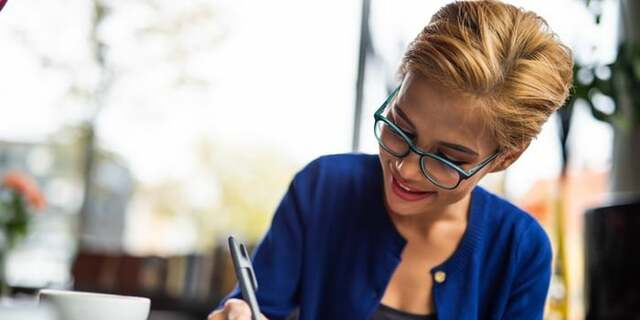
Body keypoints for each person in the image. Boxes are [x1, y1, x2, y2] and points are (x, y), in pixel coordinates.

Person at [208, 0, 573, 319]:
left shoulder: (520, 250)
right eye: (400, 128)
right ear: (398, 88)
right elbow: (254, 305)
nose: (405, 168)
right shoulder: (323, 189)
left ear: (505, 157)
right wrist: (235, 313)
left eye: (447, 158)